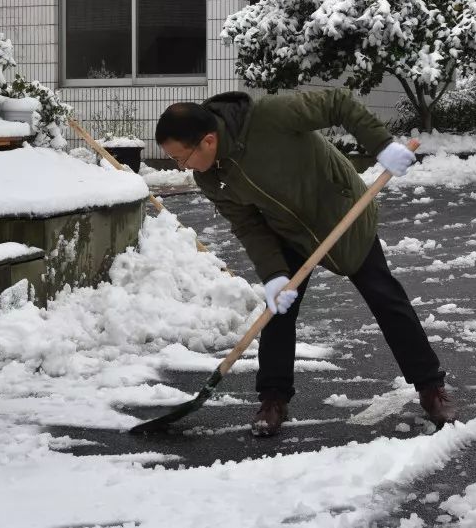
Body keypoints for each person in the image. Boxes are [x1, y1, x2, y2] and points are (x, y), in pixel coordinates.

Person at [155, 90, 457, 436]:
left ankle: (431, 387)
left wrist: (381, 145)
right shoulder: (209, 177)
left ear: (207, 141)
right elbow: (248, 225)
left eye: (182, 158)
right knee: (278, 313)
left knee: (384, 296)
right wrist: (273, 276)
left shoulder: (270, 116)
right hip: (288, 232)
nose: (182, 166)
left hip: (342, 212)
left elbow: (337, 103)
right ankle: (273, 399)